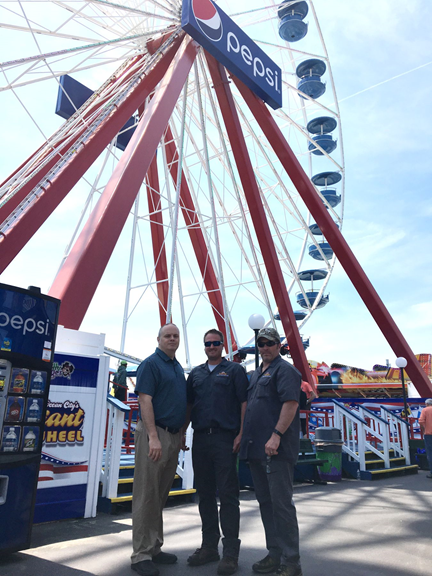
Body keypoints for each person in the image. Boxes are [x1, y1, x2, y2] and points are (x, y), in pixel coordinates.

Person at [240, 327, 303, 576]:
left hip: (276, 450)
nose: (264, 347)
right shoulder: (256, 374)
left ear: (279, 346)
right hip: (256, 449)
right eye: (261, 343)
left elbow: (291, 404)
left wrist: (276, 436)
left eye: (269, 343)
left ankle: (292, 561)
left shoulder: (286, 371)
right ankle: (274, 554)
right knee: (266, 503)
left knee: (281, 505)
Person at [185, 329, 248, 576]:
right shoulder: (196, 374)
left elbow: (244, 402)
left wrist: (241, 433)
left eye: (216, 343)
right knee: (205, 494)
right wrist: (182, 432)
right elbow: (190, 405)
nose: (211, 346)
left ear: (223, 346)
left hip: (225, 438)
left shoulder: (235, 371)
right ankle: (209, 546)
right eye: (208, 343)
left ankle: (231, 553)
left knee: (229, 495)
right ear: (204, 347)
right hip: (200, 438)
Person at [131, 324, 187, 576]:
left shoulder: (176, 367)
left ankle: (154, 546)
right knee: (146, 493)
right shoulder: (151, 364)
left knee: (160, 494)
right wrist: (153, 437)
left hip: (173, 436)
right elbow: (145, 399)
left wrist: (181, 432)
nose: (172, 339)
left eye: (176, 336)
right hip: (156, 434)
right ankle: (141, 554)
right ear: (159, 339)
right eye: (168, 336)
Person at [419, 398, 432, 479]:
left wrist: (425, 428)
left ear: (426, 404)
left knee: (430, 454)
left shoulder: (425, 410)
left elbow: (421, 421)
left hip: (428, 434)